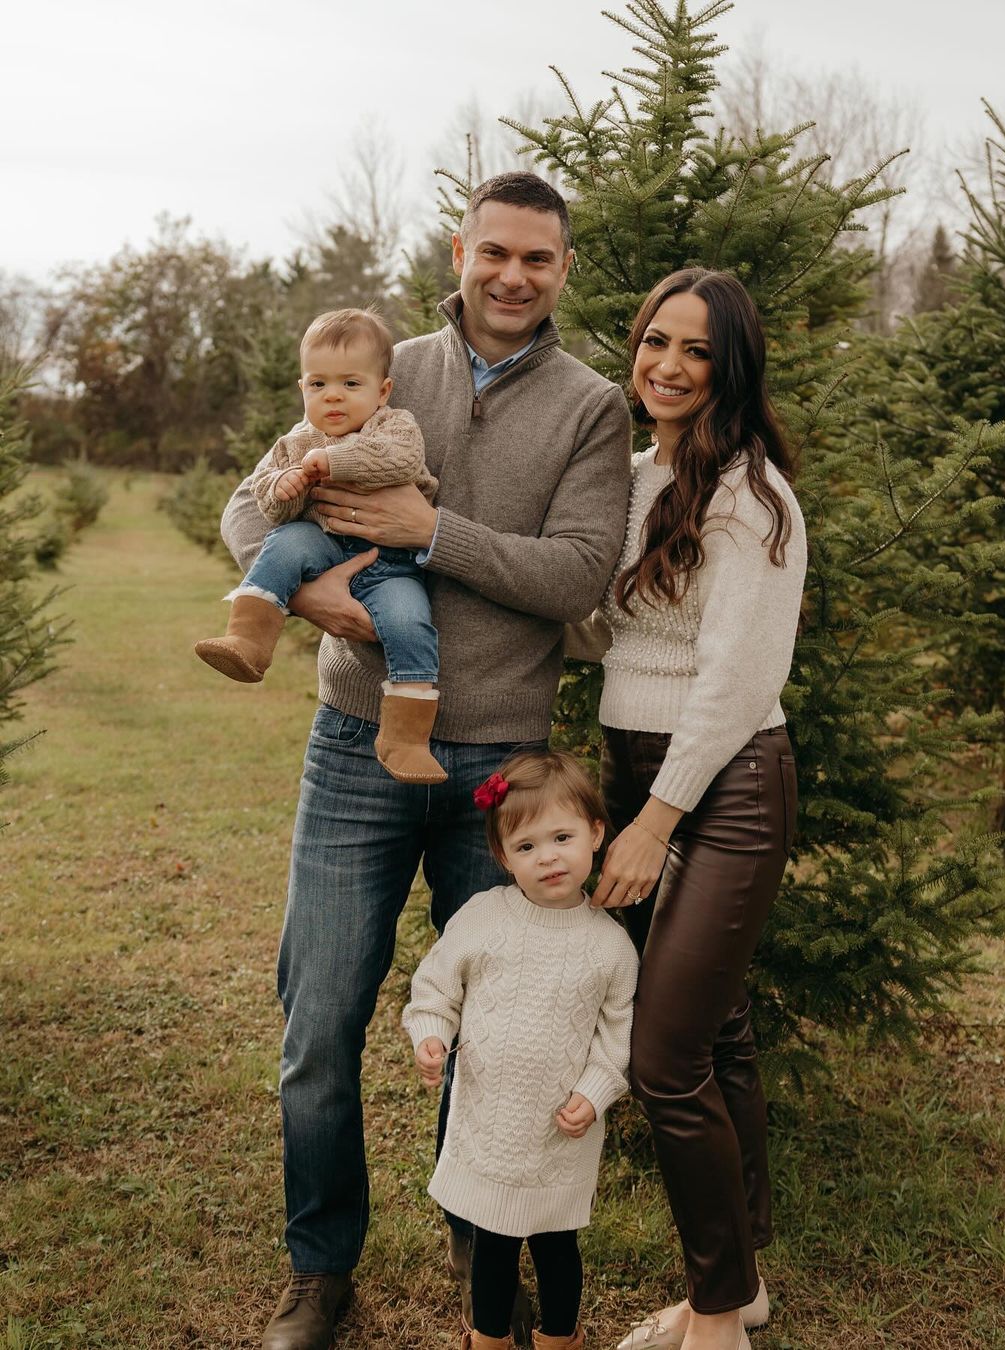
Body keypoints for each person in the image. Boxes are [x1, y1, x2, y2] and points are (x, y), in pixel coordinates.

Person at [218, 172, 631, 1350]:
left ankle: (479, 1231)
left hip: (502, 770)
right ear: (461, 252)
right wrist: (312, 597)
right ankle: (319, 1267)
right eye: (495, 252)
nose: (513, 276)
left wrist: (430, 533)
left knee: (499, 1022)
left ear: (562, 269)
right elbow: (249, 511)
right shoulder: (378, 370)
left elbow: (578, 574)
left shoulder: (591, 407)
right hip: (357, 743)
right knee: (320, 1018)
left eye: (538, 259)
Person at [568, 269, 806, 1350]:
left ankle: (716, 1317)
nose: (667, 365)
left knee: (665, 1059)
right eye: (655, 341)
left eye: (697, 350)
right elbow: (602, 629)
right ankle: (741, 1282)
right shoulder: (631, 478)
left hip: (729, 782)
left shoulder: (752, 498)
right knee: (719, 1034)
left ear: (732, 367)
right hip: (632, 763)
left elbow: (736, 681)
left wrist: (655, 822)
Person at [403, 749, 639, 1350]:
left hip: (560, 1135)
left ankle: (560, 1338)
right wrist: (432, 1033)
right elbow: (437, 986)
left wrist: (594, 1094)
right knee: (493, 1243)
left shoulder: (610, 948)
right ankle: (488, 1340)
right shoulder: (484, 918)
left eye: (562, 837)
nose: (548, 857)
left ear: (595, 834)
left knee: (557, 1245)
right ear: (504, 856)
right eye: (527, 846)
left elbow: (616, 1038)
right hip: (490, 1126)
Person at [196, 306, 447, 784]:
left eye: (350, 384)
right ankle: (248, 640)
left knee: (410, 622)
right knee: (287, 542)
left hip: (392, 565)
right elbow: (267, 503)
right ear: (303, 389)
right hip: (322, 545)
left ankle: (406, 737)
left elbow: (399, 460)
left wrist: (332, 461)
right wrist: (284, 488)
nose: (333, 395)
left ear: (382, 391)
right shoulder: (296, 441)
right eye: (318, 384)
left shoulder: (395, 425)